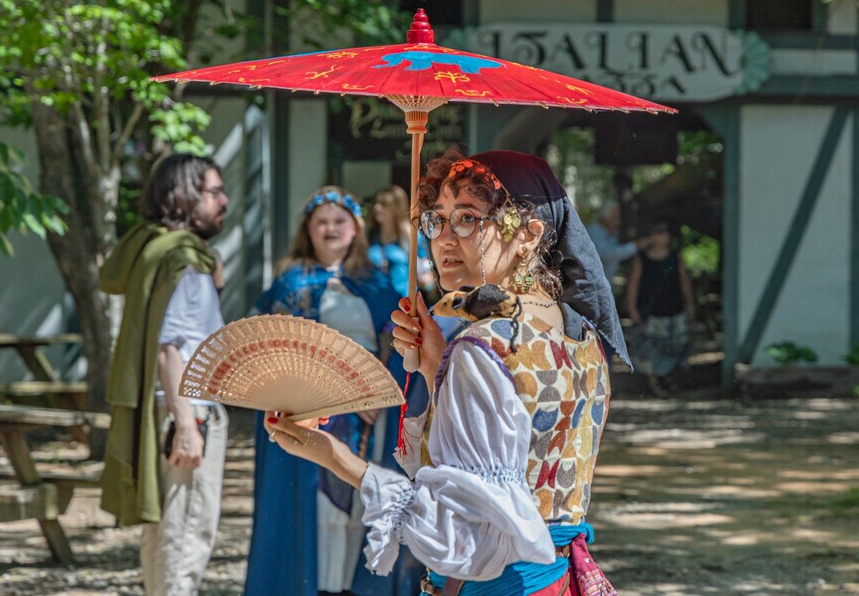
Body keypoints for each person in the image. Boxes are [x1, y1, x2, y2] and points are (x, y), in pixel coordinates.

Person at [265, 150, 628, 595]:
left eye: (468, 218)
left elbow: (455, 532)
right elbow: (521, 459)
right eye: (437, 220)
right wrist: (436, 367)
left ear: (531, 234)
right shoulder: (583, 336)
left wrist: (332, 456)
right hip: (560, 581)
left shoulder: (483, 346)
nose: (443, 239)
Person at [244, 186, 425, 596]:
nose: (330, 229)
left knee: (360, 498)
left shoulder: (376, 282)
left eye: (338, 221)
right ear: (307, 229)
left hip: (366, 415)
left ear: (356, 227)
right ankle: (313, 586)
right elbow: (275, 348)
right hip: (308, 410)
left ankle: (353, 586)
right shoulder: (290, 282)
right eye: (320, 222)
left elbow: (399, 346)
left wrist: (376, 395)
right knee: (308, 505)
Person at [99, 153, 230, 595]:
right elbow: (168, 346)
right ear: (184, 196)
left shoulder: (151, 246)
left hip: (173, 407)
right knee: (187, 532)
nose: (223, 201)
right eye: (212, 192)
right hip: (187, 408)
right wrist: (188, 424)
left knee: (166, 530)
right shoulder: (182, 258)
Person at [625, 221, 695, 396]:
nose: (664, 236)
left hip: (673, 308)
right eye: (659, 232)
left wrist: (689, 305)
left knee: (674, 346)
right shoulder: (641, 259)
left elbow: (684, 281)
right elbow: (633, 285)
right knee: (649, 348)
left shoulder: (675, 257)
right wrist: (632, 308)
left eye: (665, 232)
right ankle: (653, 383)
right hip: (650, 311)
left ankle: (668, 380)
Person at [368, 185, 435, 298]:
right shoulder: (369, 235)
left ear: (396, 208)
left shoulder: (412, 237)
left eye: (384, 204)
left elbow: (427, 271)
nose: (377, 207)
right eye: (376, 203)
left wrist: (427, 282)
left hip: (404, 301)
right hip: (373, 300)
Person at [586, 201, 651, 291]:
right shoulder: (593, 232)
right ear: (604, 217)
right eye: (614, 217)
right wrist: (635, 246)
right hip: (594, 289)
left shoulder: (611, 233)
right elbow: (606, 255)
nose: (618, 221)